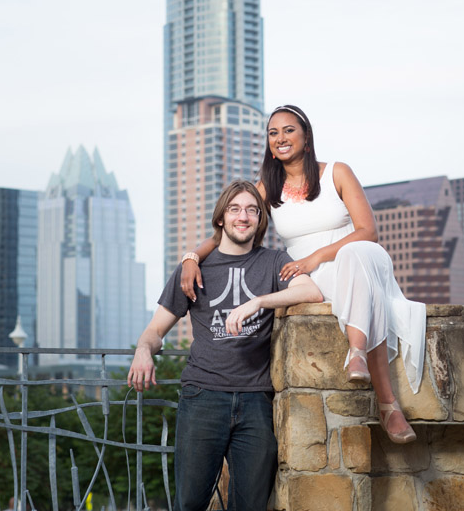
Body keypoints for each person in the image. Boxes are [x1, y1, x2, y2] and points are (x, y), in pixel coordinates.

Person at [181, 105, 426, 444]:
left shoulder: (337, 172)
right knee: (359, 287)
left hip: (354, 258)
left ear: (306, 137)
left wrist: (317, 257)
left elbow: (368, 230)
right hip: (307, 274)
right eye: (273, 133)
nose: (280, 138)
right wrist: (191, 258)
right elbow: (230, 227)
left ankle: (361, 359)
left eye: (289, 130)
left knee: (358, 255)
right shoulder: (267, 186)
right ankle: (386, 402)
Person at [128, 180, 322, 511]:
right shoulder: (193, 270)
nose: (243, 216)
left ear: (260, 220)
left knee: (250, 505)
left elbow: (311, 292)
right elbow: (155, 330)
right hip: (203, 397)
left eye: (252, 210)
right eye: (235, 209)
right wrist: (143, 351)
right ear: (221, 219)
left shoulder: (274, 261)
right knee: (190, 502)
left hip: (255, 402)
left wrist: (258, 301)